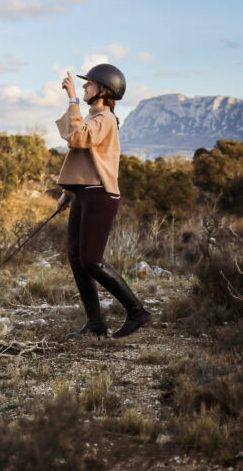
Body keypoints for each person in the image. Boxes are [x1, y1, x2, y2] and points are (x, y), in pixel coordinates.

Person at [55, 63, 151, 339]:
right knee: (76, 258)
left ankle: (137, 311)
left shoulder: (105, 119)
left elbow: (78, 139)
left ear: (103, 90)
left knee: (91, 260)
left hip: (100, 195)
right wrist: (69, 192)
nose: (84, 87)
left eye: (88, 84)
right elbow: (86, 158)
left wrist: (72, 99)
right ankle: (95, 323)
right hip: (85, 193)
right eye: (83, 85)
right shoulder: (94, 116)